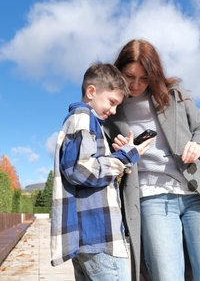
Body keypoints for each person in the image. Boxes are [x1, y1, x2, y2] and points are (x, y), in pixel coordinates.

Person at [104, 39, 200, 281]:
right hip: (150, 195)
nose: (135, 84)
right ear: (118, 70)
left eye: (144, 78)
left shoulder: (173, 95)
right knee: (166, 274)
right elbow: (107, 157)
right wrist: (121, 154)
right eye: (129, 75)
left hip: (196, 194)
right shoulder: (111, 109)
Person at [50, 62, 154, 281]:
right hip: (98, 236)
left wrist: (120, 162)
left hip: (89, 239)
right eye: (112, 102)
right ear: (91, 92)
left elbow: (87, 171)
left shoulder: (86, 122)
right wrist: (127, 155)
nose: (114, 110)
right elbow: (80, 169)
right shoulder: (83, 117)